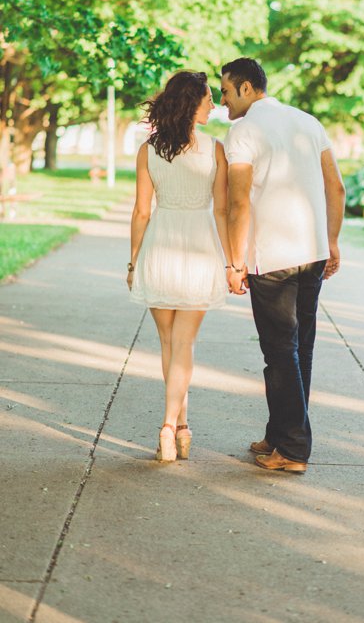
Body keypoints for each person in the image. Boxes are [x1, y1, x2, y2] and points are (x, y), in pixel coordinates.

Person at [222, 57, 346, 474]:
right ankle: (279, 433)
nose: (222, 102)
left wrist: (235, 262)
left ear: (245, 88)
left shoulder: (243, 132)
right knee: (299, 350)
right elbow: (337, 187)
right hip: (311, 253)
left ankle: (292, 450)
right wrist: (331, 241)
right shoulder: (307, 122)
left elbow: (238, 203)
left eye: (225, 91)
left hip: (271, 257)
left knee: (279, 352)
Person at [128, 70, 232, 463]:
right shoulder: (215, 149)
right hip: (199, 249)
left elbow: (141, 212)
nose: (214, 104)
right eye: (208, 98)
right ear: (193, 102)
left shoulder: (148, 150)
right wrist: (231, 260)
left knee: (170, 346)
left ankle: (182, 428)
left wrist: (134, 261)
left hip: (159, 248)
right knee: (184, 345)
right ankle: (170, 427)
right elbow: (221, 210)